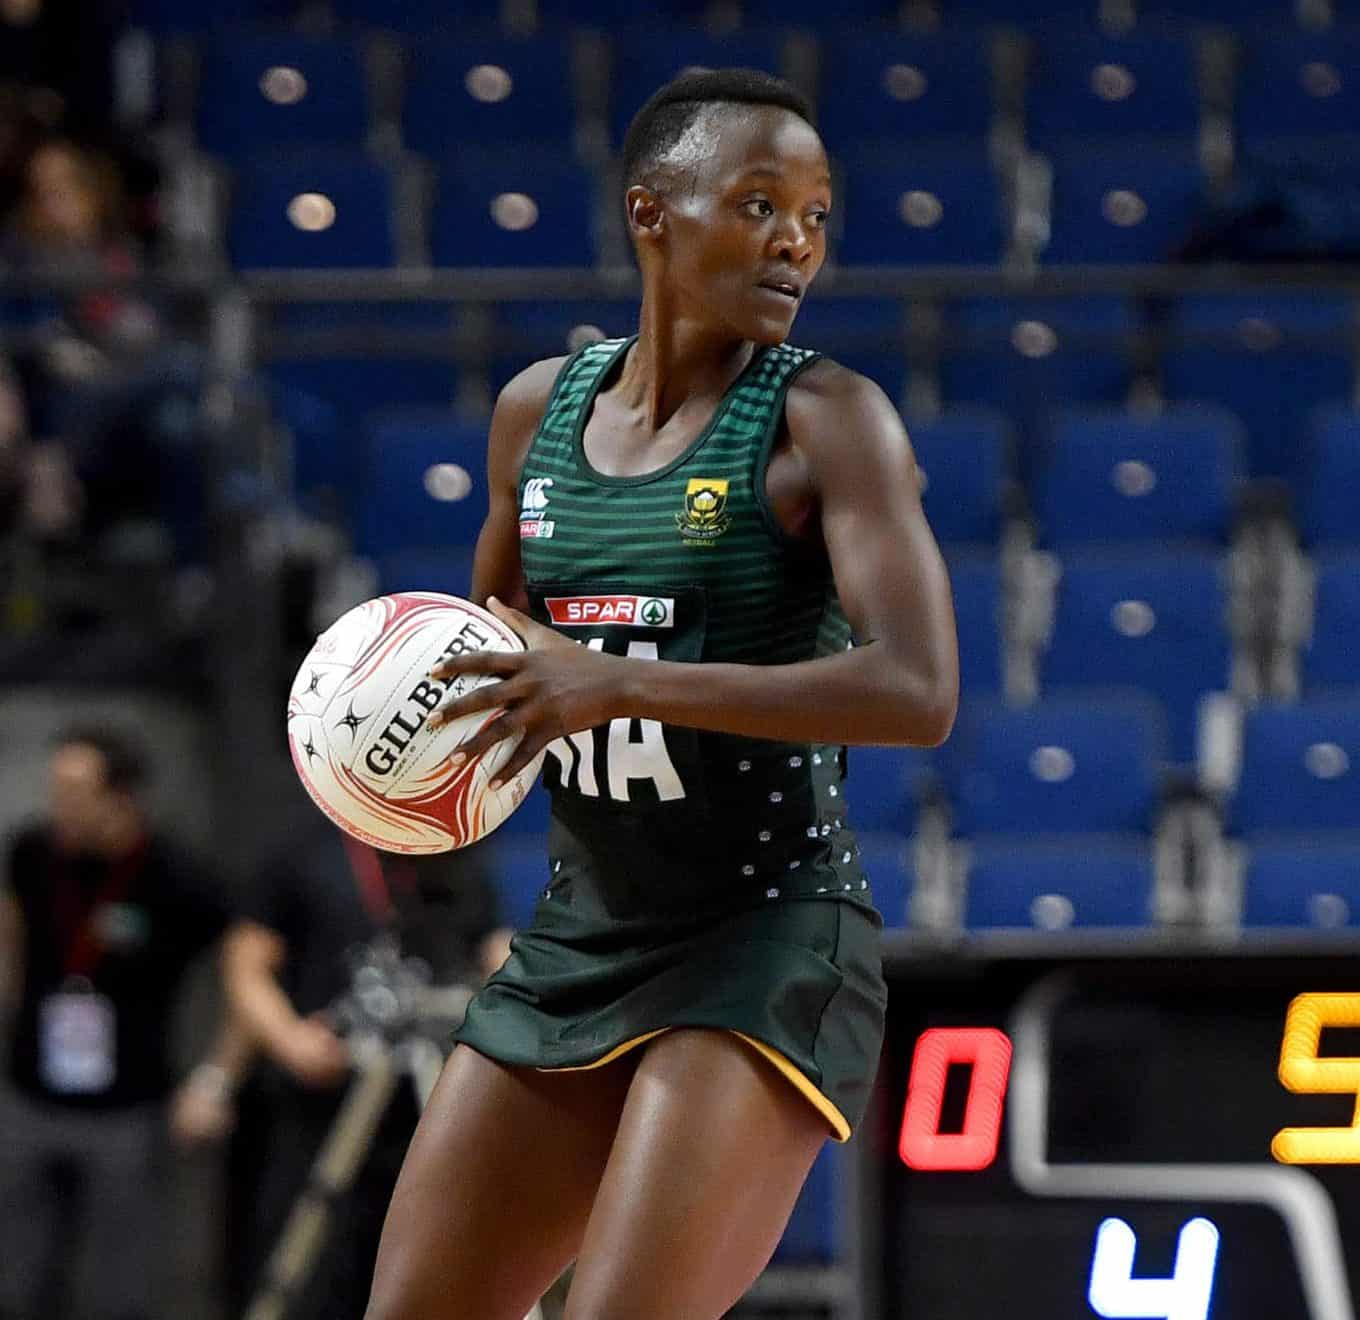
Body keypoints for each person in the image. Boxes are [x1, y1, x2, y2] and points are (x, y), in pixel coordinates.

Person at [362, 67, 958, 1320]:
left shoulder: (828, 418)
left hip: (765, 935)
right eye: (757, 204)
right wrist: (384, 748)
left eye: (815, 214)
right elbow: (493, 652)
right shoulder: (537, 410)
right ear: (653, 214)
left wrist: (620, 681)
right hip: (582, 931)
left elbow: (916, 690)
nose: (795, 240)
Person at [223, 804, 513, 1320]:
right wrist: (289, 1039)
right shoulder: (301, 852)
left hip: (424, 1105)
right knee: (310, 1273)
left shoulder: (449, 852)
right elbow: (246, 963)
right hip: (325, 1105)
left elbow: (495, 951)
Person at [0, 724, 247, 1320]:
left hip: (130, 1111)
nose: (59, 805)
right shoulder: (32, 853)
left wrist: (216, 1078)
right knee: (16, 1278)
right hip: (29, 1097)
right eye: (55, 789)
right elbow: (10, 939)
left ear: (121, 796)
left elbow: (247, 973)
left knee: (116, 1290)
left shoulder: (177, 877)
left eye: (75, 792)